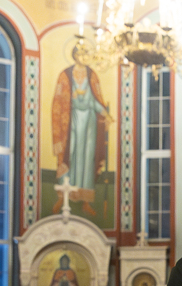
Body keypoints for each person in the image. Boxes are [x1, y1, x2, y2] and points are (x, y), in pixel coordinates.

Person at [51, 45, 113, 218]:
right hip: (71, 122)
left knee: (88, 158)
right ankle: (62, 197)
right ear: (74, 55)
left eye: (86, 53)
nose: (83, 56)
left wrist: (106, 114)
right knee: (69, 155)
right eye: (80, 53)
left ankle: (86, 201)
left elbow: (96, 100)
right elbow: (57, 103)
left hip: (90, 124)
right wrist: (57, 134)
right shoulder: (65, 75)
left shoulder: (92, 75)